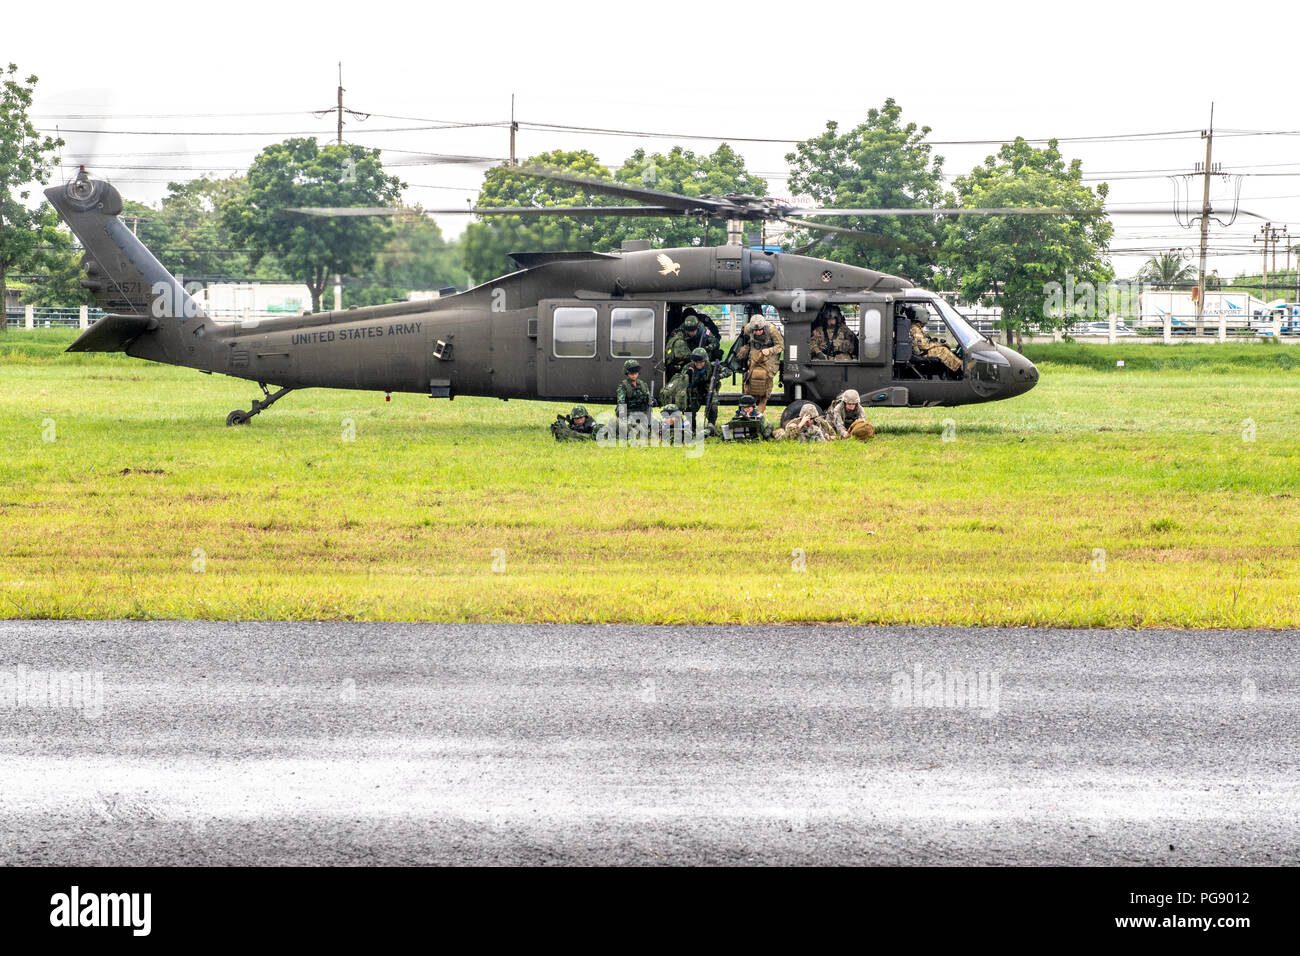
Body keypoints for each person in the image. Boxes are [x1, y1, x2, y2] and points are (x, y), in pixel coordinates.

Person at [734, 315, 784, 414]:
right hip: (755, 351)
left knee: (765, 376)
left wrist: (769, 350)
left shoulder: (772, 330)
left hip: (770, 354)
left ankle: (761, 405)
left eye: (760, 330)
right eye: (755, 330)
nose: (757, 332)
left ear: (764, 327)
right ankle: (747, 407)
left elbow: (781, 346)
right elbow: (744, 339)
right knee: (751, 376)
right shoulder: (748, 328)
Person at [659, 347, 713, 432]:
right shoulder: (688, 367)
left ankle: (711, 425)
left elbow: (727, 371)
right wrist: (688, 375)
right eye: (696, 362)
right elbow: (682, 383)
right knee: (689, 409)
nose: (699, 364)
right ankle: (691, 428)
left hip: (707, 391)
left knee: (713, 404)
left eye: (701, 362)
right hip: (693, 393)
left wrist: (720, 375)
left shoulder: (710, 366)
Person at [907, 305, 962, 373]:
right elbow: (923, 346)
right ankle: (962, 368)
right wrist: (939, 345)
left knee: (945, 346)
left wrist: (938, 344)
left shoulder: (916, 328)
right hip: (921, 354)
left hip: (922, 351)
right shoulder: (915, 329)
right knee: (943, 350)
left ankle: (956, 367)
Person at [665, 312, 720, 377]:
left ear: (697, 327)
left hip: (702, 354)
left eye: (693, 331)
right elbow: (675, 336)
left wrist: (708, 347)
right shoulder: (682, 328)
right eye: (688, 331)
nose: (691, 333)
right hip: (689, 353)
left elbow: (716, 342)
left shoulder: (706, 331)